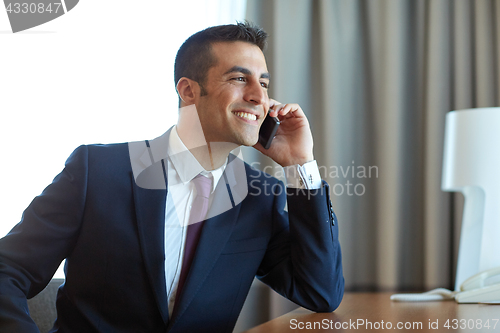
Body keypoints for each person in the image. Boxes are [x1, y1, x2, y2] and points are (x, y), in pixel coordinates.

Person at [0, 22, 344, 333]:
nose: (259, 96)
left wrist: (300, 164)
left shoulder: (260, 195)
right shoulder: (97, 171)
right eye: (240, 78)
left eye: (264, 83)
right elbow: (8, 271)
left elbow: (320, 292)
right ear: (189, 90)